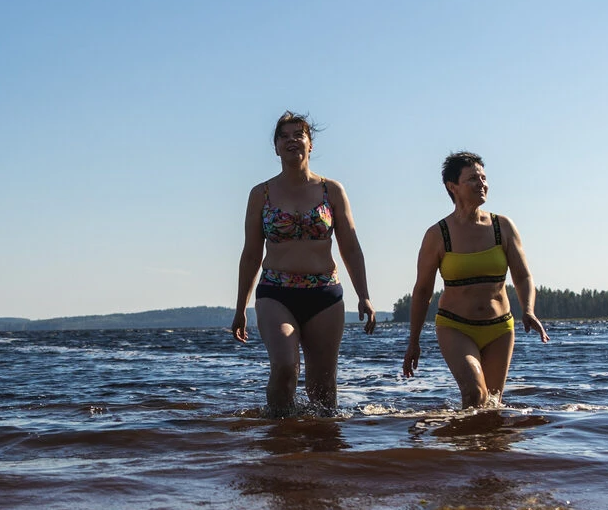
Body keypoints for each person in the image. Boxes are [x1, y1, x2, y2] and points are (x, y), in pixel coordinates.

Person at [231, 112, 376, 416]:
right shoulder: (261, 194)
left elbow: (350, 246)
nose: (292, 140)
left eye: (299, 135)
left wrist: (364, 295)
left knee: (322, 388)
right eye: (284, 136)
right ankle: (280, 444)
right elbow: (251, 253)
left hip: (324, 293)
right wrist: (240, 308)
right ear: (275, 148)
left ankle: (322, 456)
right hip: (275, 292)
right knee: (285, 368)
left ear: (310, 144)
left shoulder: (331, 191)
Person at [399, 151, 548, 408]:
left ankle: (480, 448)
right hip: (455, 327)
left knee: (492, 403)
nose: (482, 184)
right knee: (474, 395)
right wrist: (414, 341)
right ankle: (461, 447)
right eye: (472, 179)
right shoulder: (437, 234)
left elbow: (523, 276)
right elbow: (423, 290)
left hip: (500, 328)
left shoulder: (503, 227)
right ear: (452, 186)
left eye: (484, 177)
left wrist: (529, 310)